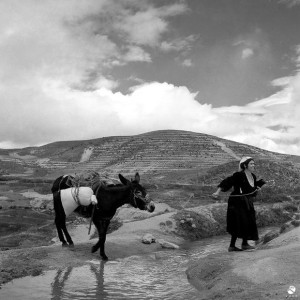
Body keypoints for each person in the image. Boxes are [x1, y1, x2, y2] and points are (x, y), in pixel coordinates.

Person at [212, 157, 266, 252]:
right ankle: (232, 246)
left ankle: (244, 244)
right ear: (245, 165)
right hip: (236, 201)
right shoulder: (238, 175)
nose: (254, 165)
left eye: (254, 164)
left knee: (249, 220)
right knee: (239, 221)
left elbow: (251, 192)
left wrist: (257, 188)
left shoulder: (253, 177)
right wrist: (217, 192)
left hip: (247, 202)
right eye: (251, 164)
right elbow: (227, 181)